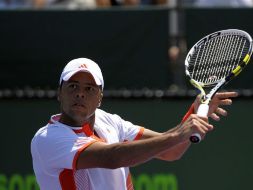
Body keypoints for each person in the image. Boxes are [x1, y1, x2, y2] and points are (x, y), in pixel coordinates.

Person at [31, 57, 238, 190]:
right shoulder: (47, 139)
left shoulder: (109, 121)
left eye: (89, 89)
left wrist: (194, 113)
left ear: (100, 97)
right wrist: (179, 133)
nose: (80, 93)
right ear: (59, 93)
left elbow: (170, 151)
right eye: (73, 86)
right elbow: (113, 157)